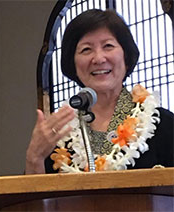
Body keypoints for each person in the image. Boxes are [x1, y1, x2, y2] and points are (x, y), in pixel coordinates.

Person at [25, 9, 174, 174]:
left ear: (126, 55)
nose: (99, 58)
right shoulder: (58, 135)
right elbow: (35, 198)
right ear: (72, 63)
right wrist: (35, 157)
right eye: (86, 50)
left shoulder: (163, 125)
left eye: (108, 46)